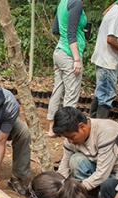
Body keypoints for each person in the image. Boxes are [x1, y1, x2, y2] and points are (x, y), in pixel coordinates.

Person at [53, 106, 118, 198]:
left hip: (117, 173)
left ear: (82, 126)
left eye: (72, 137)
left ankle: (93, 193)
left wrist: (77, 189)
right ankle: (91, 194)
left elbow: (102, 173)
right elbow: (64, 165)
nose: (69, 141)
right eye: (66, 137)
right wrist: (59, 186)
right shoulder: (70, 139)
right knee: (75, 160)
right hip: (97, 167)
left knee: (105, 192)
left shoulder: (106, 132)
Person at [46, 0, 88, 137]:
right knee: (71, 94)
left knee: (57, 89)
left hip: (59, 51)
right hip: (70, 54)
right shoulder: (76, 3)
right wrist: (76, 59)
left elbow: (56, 29)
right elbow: (71, 33)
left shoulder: (63, 2)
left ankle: (52, 128)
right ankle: (68, 130)